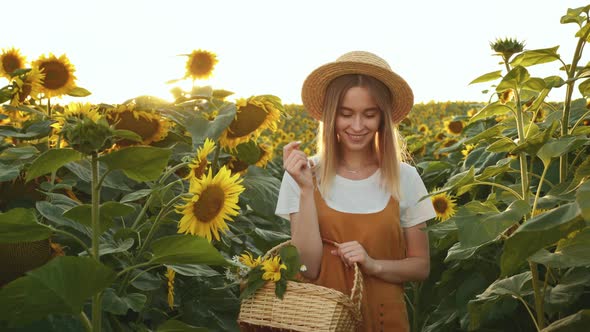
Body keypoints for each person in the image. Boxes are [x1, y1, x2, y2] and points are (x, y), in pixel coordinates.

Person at [275, 51, 436, 331]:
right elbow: (307, 268)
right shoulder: (302, 174)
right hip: (321, 322)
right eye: (346, 114)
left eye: (369, 115)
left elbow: (420, 266)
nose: (358, 126)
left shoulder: (405, 178)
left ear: (383, 118)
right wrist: (304, 190)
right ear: (330, 116)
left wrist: (374, 265)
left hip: (386, 322)